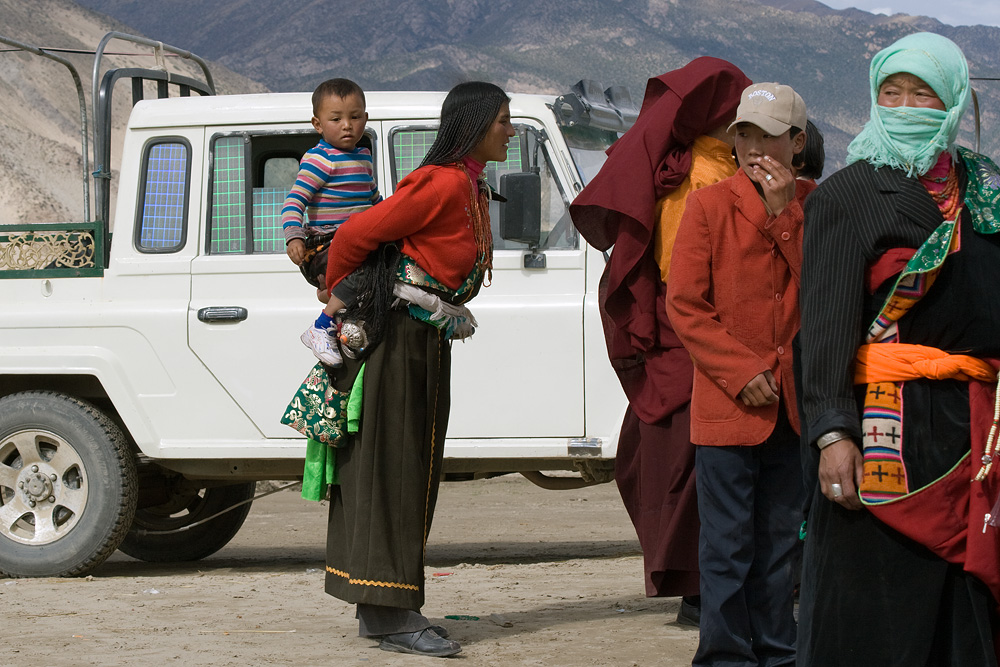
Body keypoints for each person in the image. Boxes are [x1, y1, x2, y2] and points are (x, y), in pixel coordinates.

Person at [798, 32, 1000, 666]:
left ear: (954, 102)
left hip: (978, 430)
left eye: (924, 95)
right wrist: (833, 435)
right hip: (887, 430)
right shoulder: (847, 196)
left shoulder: (987, 192)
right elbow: (824, 328)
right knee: (874, 606)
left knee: (969, 608)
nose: (907, 106)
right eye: (893, 93)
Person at [319, 81, 514, 658]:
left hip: (424, 340)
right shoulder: (443, 182)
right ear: (477, 125)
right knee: (394, 469)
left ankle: (387, 608)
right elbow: (356, 232)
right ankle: (390, 613)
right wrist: (341, 295)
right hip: (399, 340)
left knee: (411, 469)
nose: (508, 131)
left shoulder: (469, 183)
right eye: (502, 121)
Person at [569, 58, 752, 627]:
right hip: (698, 341)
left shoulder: (710, 168)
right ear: (720, 119)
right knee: (692, 467)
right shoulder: (700, 179)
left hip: (695, 342)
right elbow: (690, 279)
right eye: (741, 113)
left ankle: (706, 589)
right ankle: (702, 593)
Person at [666, 82, 814, 667]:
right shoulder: (707, 205)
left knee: (779, 545)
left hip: (792, 404)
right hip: (729, 406)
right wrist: (741, 370)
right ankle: (725, 657)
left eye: (770, 137)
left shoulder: (813, 205)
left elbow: (821, 291)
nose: (755, 149)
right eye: (745, 135)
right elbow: (686, 306)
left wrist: (784, 217)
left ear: (797, 143)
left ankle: (778, 653)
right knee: (726, 546)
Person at [281, 78, 382, 367]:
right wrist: (294, 236)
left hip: (356, 241)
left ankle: (333, 295)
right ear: (318, 124)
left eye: (354, 117)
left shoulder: (363, 158)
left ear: (366, 118)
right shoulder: (319, 159)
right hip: (324, 244)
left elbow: (374, 201)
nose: (347, 125)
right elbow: (294, 202)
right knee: (371, 270)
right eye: (336, 119)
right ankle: (322, 325)